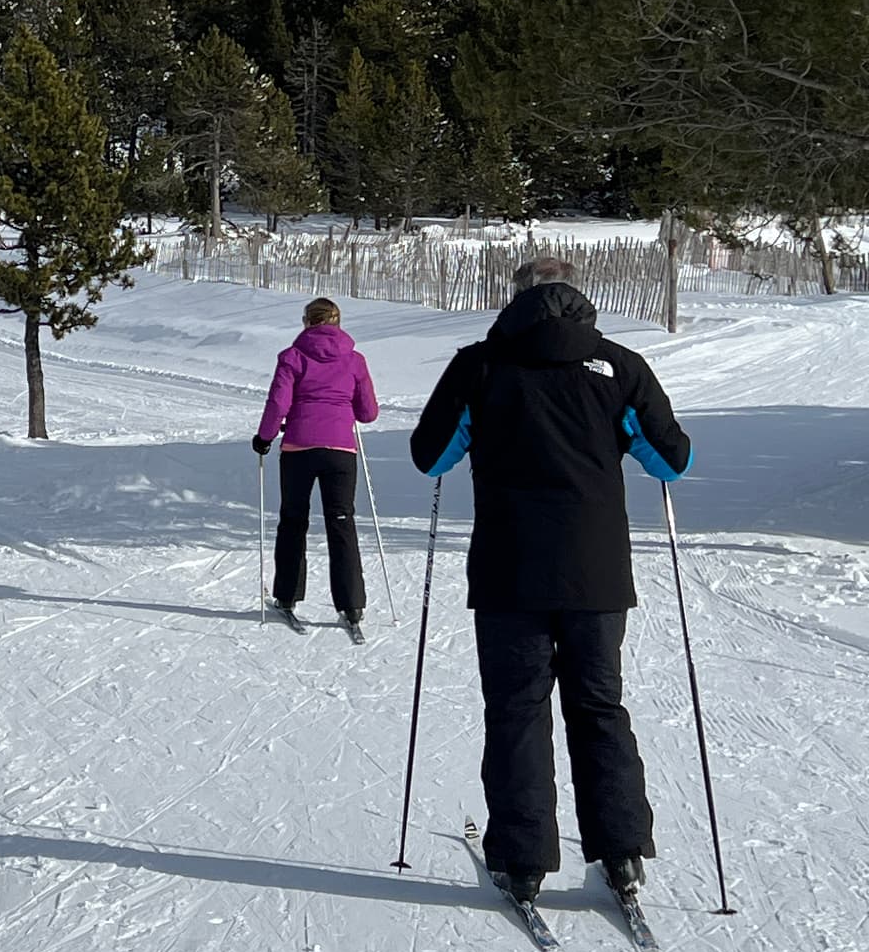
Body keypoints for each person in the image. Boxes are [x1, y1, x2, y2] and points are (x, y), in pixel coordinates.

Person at [408, 256, 694, 912]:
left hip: (509, 570)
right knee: (598, 706)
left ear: (515, 301)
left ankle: (524, 858)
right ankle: (621, 851)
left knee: (518, 709)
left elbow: (432, 456)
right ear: (580, 300)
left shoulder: (479, 365)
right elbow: (671, 461)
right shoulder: (620, 365)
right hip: (597, 572)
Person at [253, 295, 380, 635]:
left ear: (307, 322)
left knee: (293, 520)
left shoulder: (292, 357)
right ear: (337, 322)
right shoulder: (355, 360)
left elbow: (278, 402)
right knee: (342, 522)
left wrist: (265, 436)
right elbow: (368, 412)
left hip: (299, 448)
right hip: (340, 451)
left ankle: (287, 597)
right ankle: (351, 606)